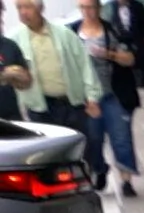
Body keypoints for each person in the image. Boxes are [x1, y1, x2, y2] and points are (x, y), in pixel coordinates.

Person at [4, 1, 103, 165]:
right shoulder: (14, 39)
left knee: (82, 150)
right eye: (19, 8)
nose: (23, 12)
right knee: (49, 155)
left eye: (27, 7)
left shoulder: (64, 34)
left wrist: (92, 97)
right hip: (40, 108)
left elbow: (84, 65)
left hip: (72, 104)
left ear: (40, 8)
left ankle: (90, 178)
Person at [77, 0, 136, 194]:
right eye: (83, 7)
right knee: (93, 139)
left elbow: (130, 59)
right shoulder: (71, 33)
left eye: (91, 7)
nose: (88, 12)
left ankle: (126, 181)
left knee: (121, 138)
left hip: (113, 94)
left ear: (99, 8)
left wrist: (108, 54)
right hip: (88, 97)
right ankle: (99, 169)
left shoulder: (112, 31)